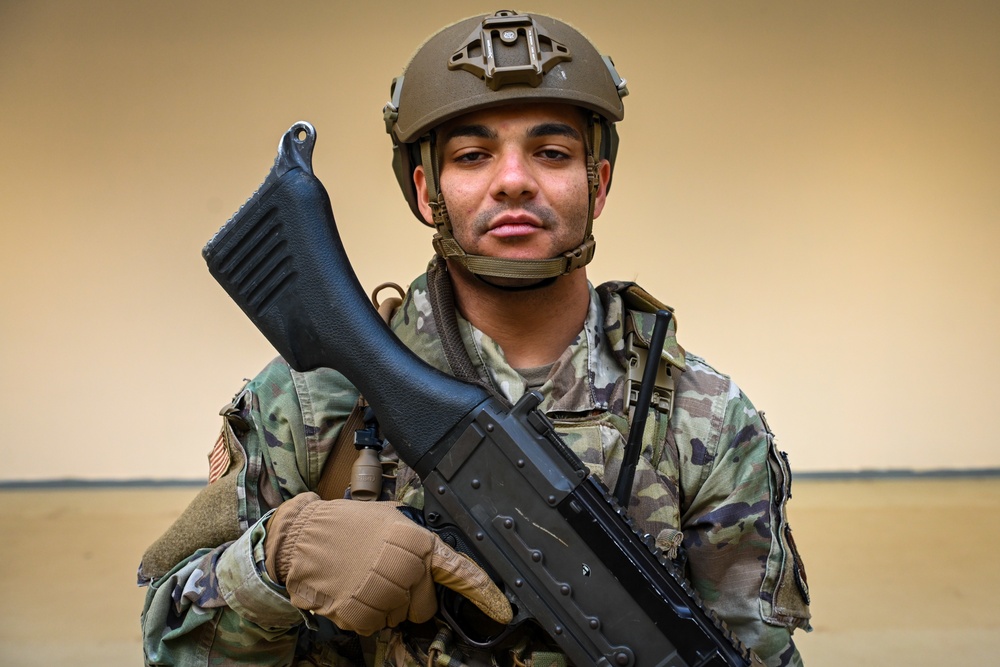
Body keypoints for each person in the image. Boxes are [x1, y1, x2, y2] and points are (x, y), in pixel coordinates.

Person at [138, 10, 811, 667]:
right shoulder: (317, 405)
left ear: (597, 183)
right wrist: (275, 561)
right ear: (427, 190)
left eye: (551, 152)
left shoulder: (705, 417)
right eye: (472, 155)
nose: (514, 179)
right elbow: (169, 643)